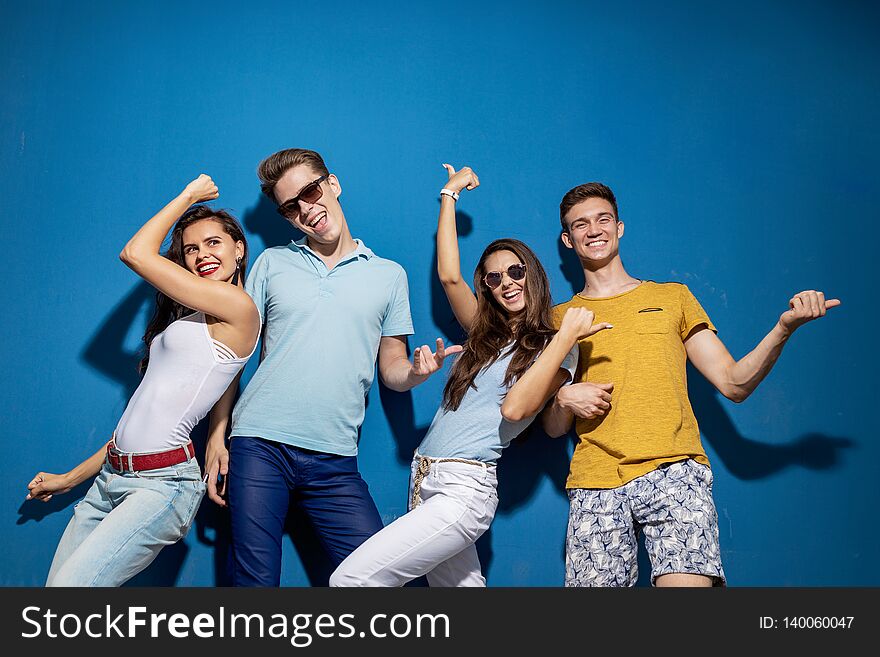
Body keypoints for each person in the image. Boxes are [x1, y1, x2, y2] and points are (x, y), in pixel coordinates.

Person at [542, 182, 840, 587]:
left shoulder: (673, 298)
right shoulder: (561, 319)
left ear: (620, 227)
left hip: (675, 474)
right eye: (580, 225)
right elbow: (553, 427)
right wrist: (563, 398)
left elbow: (734, 384)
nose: (593, 230)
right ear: (568, 239)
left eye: (603, 219)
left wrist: (783, 329)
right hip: (596, 481)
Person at [329, 164, 609, 587]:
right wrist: (449, 195)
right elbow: (449, 275)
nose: (507, 283)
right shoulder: (485, 333)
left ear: (531, 273)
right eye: (494, 278)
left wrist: (567, 330)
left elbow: (516, 409)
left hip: (465, 488)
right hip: (424, 477)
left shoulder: (555, 346)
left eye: (516, 272)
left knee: (350, 581)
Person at [205, 148, 454, 586]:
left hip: (335, 458)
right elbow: (234, 357)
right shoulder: (272, 264)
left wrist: (417, 374)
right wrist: (216, 436)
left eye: (312, 191)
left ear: (332, 184)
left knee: (379, 578)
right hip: (258, 444)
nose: (307, 209)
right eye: (291, 206)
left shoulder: (389, 275)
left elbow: (393, 370)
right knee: (254, 582)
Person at [26, 174, 260, 586]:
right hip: (110, 478)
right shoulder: (190, 322)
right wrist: (70, 479)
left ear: (239, 250)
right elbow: (144, 416)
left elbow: (135, 252)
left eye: (213, 243)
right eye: (190, 248)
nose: (202, 254)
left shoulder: (239, 307)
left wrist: (189, 196)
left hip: (162, 488)